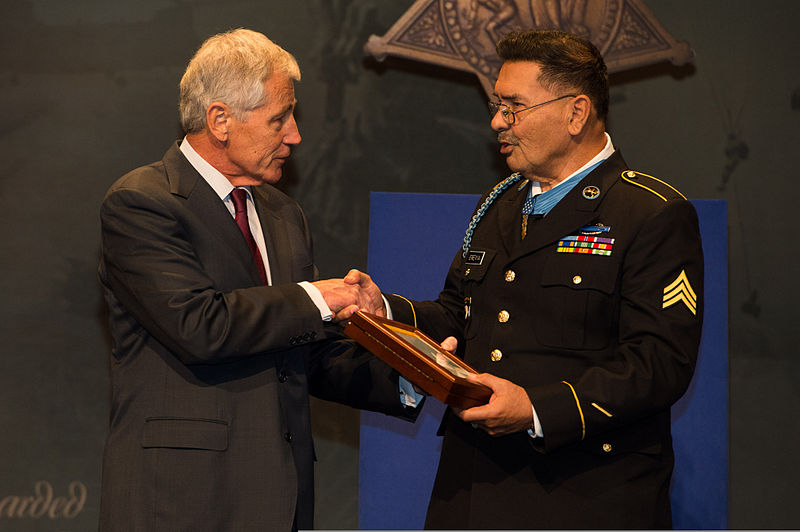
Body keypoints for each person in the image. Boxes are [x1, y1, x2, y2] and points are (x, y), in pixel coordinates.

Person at [383, 30, 704, 529]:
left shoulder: (651, 212)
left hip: (583, 495)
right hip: (471, 491)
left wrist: (536, 408)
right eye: (497, 105)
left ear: (576, 113)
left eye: (514, 107)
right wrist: (383, 310)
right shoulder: (500, 203)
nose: (497, 122)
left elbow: (659, 364)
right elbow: (457, 316)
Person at [98, 28, 416, 531]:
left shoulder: (284, 214)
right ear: (220, 120)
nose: (295, 135)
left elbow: (307, 353)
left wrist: (412, 373)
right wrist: (319, 296)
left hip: (282, 499)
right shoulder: (142, 203)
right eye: (279, 119)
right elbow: (200, 326)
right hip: (183, 500)